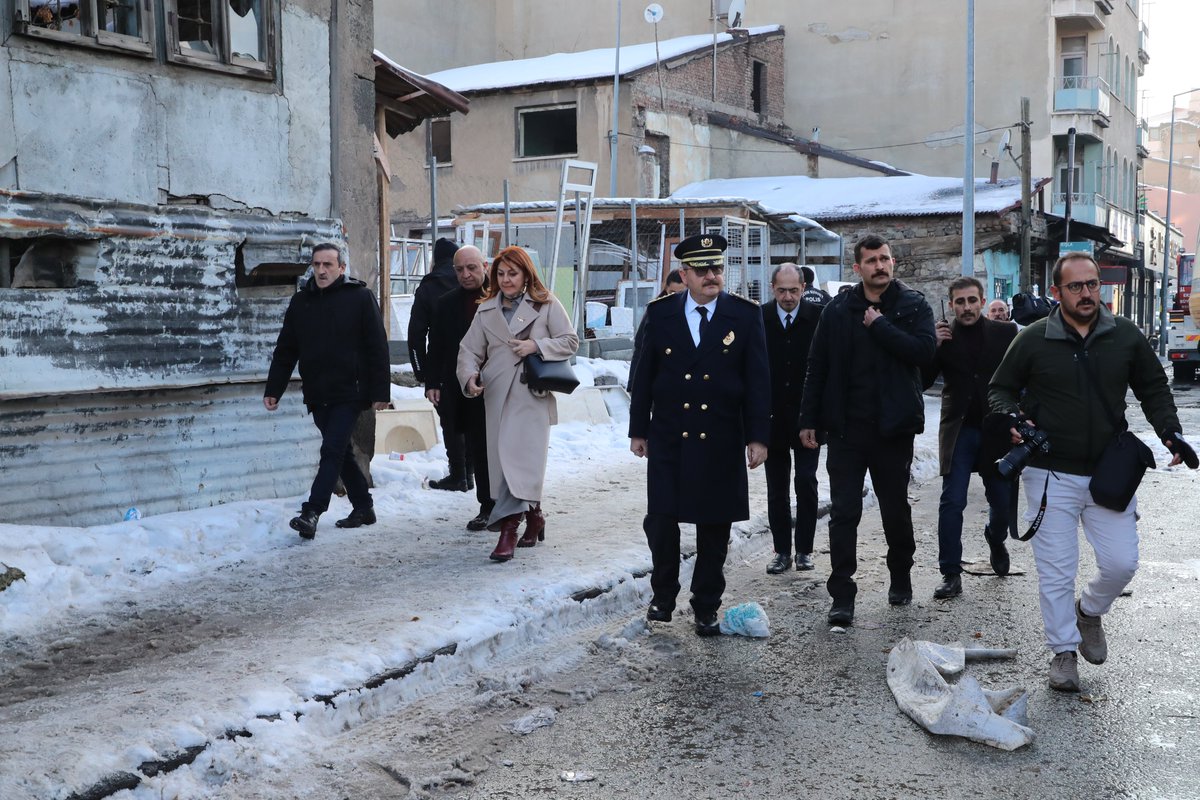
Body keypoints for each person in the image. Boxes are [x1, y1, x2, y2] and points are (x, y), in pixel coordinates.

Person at [989, 252, 1197, 693]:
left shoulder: (1124, 335)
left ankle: (1089, 612)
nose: (1087, 294)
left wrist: (1169, 432)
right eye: (1076, 286)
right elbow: (1000, 389)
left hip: (1108, 470)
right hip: (1048, 473)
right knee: (1057, 570)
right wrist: (1012, 419)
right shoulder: (1032, 338)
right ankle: (1063, 652)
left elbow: (1153, 387)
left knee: (1123, 563)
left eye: (1092, 285)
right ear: (1056, 292)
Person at [629, 234, 770, 636]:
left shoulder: (743, 315)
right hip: (671, 434)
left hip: (722, 435)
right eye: (703, 270)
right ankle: (663, 594)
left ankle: (706, 603)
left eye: (718, 269)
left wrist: (758, 436)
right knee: (661, 520)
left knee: (714, 526)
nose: (713, 276)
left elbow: (758, 380)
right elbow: (644, 377)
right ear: (684, 274)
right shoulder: (661, 314)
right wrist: (638, 429)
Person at [798, 234, 936, 626]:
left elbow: (924, 353)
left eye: (885, 259)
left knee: (895, 509)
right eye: (872, 261)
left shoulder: (912, 305)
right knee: (844, 512)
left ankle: (900, 576)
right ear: (857, 269)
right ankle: (842, 593)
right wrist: (808, 420)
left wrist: (881, 326)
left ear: (893, 264)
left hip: (893, 430)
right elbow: (817, 366)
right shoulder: (839, 310)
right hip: (846, 429)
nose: (880, 266)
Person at [457, 246, 579, 562]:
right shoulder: (485, 310)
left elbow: (570, 340)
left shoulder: (547, 303)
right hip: (496, 393)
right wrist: (470, 377)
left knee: (520, 460)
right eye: (501, 273)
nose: (507, 279)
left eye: (513, 273)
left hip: (531, 395)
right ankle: (534, 515)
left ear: (526, 274)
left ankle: (508, 528)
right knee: (505, 461)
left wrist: (535, 345)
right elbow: (468, 350)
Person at [264, 243, 391, 539]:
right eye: (317, 264)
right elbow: (286, 350)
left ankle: (312, 511)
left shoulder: (359, 297)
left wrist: (380, 391)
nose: (321, 270)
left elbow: (377, 348)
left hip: (351, 391)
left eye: (328, 265)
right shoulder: (301, 303)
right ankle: (363, 506)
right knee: (341, 452)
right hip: (318, 392)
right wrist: (275, 388)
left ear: (341, 268)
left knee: (331, 449)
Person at [920, 276, 1017, 600]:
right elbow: (921, 381)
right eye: (959, 302)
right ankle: (950, 573)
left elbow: (1021, 377)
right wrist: (932, 345)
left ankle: (995, 536)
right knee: (952, 501)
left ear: (982, 300)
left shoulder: (1005, 333)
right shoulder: (944, 336)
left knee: (1001, 502)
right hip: (960, 430)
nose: (966, 307)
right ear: (951, 305)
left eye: (971, 300)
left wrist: (1022, 417)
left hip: (996, 432)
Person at [426, 245, 494, 531]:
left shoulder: (502, 297)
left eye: (471, 268)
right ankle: (487, 506)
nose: (465, 275)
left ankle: (522, 506)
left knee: (507, 448)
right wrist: (432, 382)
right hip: (467, 388)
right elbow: (438, 346)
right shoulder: (447, 303)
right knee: (479, 446)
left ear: (485, 266)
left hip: (505, 385)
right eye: (459, 270)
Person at [762, 263, 822, 575]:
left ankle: (805, 551)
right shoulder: (760, 318)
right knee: (777, 488)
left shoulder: (817, 318)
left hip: (807, 419)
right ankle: (782, 551)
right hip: (772, 420)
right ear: (773, 288)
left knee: (806, 483)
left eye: (794, 291)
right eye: (782, 291)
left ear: (803, 288)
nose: (788, 297)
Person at [410, 238, 471, 491]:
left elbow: (416, 335)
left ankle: (459, 474)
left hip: (444, 367)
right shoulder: (471, 283)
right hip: (475, 364)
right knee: (474, 420)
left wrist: (423, 372)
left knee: (451, 421)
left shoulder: (428, 288)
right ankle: (471, 473)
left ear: (435, 260)